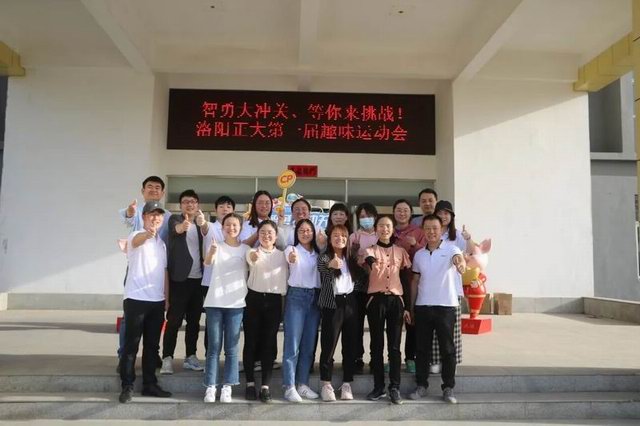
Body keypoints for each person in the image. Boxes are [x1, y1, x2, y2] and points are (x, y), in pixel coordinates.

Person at [408, 214, 466, 404]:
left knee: (447, 349)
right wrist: (411, 306)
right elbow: (415, 281)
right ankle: (421, 385)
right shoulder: (419, 255)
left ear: (441, 230)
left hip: (446, 307)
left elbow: (459, 259)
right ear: (423, 230)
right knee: (421, 349)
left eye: (435, 228)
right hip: (423, 306)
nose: (431, 232)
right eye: (427, 228)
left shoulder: (451, 249)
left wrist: (461, 264)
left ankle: (448, 387)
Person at [118, 201, 172, 403]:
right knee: (131, 345)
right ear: (144, 217)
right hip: (136, 299)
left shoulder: (162, 244)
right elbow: (138, 241)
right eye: (151, 214)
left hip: (157, 302)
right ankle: (127, 385)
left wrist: (166, 299)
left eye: (159, 215)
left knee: (152, 346)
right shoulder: (135, 235)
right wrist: (147, 234)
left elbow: (164, 272)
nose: (155, 218)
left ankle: (150, 384)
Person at [116, 176, 169, 370]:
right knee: (130, 323)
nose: (154, 190)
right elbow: (128, 219)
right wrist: (131, 214)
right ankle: (124, 358)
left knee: (153, 332)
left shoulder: (167, 215)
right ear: (142, 191)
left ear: (163, 192)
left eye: (158, 187)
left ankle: (152, 361)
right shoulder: (137, 210)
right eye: (150, 187)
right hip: (137, 270)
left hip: (157, 271)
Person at [363, 215, 411, 404]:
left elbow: (406, 280)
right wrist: (372, 262)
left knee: (394, 346)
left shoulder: (400, 252)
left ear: (393, 229)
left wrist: (407, 306)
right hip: (376, 301)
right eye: (381, 226)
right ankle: (378, 387)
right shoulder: (370, 250)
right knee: (376, 345)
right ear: (376, 229)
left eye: (388, 226)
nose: (385, 229)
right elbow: (368, 260)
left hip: (395, 301)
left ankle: (394, 387)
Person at [202, 213, 249, 403]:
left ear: (240, 228)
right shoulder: (217, 246)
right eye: (228, 225)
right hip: (215, 302)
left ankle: (228, 386)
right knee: (213, 347)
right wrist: (212, 251)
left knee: (231, 348)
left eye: (235, 225)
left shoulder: (246, 249)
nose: (231, 228)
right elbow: (207, 263)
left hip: (236, 303)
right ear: (222, 228)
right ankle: (211, 386)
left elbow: (254, 262)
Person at [160, 189, 206, 374]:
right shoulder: (175, 219)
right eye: (186, 201)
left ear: (197, 205)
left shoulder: (201, 224)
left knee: (194, 322)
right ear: (180, 205)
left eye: (193, 201)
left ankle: (190, 357)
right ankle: (167, 358)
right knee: (174, 321)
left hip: (198, 280)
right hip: (179, 279)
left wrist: (203, 226)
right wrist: (183, 226)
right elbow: (176, 229)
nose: (190, 204)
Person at [243, 220, 288, 403]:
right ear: (258, 235)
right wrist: (255, 256)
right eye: (263, 232)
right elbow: (252, 259)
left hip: (274, 300)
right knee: (251, 341)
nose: (266, 236)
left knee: (269, 343)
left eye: (270, 233)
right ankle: (250, 384)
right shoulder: (251, 251)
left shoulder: (283, 255)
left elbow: (293, 261)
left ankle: (265, 387)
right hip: (253, 299)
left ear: (276, 236)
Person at [429, 200, 474, 372]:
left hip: (453, 288)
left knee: (452, 328)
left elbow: (470, 252)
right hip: (433, 287)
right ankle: (435, 360)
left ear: (451, 216)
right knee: (435, 328)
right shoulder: (431, 232)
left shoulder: (457, 236)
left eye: (446, 213)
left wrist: (468, 238)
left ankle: (451, 362)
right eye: (440, 213)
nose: (443, 216)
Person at [317, 224, 360, 402]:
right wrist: (331, 265)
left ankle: (347, 383)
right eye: (335, 235)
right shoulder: (325, 256)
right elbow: (322, 268)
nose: (339, 238)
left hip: (350, 303)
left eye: (343, 235)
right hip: (332, 304)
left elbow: (359, 279)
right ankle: (326, 383)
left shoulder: (351, 258)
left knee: (350, 345)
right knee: (328, 345)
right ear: (329, 238)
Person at [281, 219, 322, 402]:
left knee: (308, 345)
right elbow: (290, 259)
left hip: (314, 299)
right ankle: (289, 386)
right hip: (296, 297)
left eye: (308, 230)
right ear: (296, 233)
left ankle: (302, 384)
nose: (305, 233)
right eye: (301, 231)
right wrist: (292, 259)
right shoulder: (292, 249)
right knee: (292, 344)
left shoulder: (318, 253)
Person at [392, 199, 426, 374]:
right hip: (392, 282)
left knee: (412, 319)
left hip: (412, 281)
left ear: (411, 213)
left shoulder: (419, 232)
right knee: (393, 322)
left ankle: (410, 357)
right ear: (394, 212)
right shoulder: (388, 230)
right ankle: (392, 358)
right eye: (399, 210)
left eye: (405, 210)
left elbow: (427, 253)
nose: (402, 213)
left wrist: (415, 244)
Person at [348, 202, 378, 374]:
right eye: (362, 216)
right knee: (357, 323)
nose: (366, 219)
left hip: (376, 284)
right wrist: (354, 253)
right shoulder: (354, 237)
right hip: (359, 285)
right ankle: (357, 356)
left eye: (369, 216)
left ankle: (375, 357)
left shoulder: (380, 234)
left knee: (375, 324)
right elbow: (348, 260)